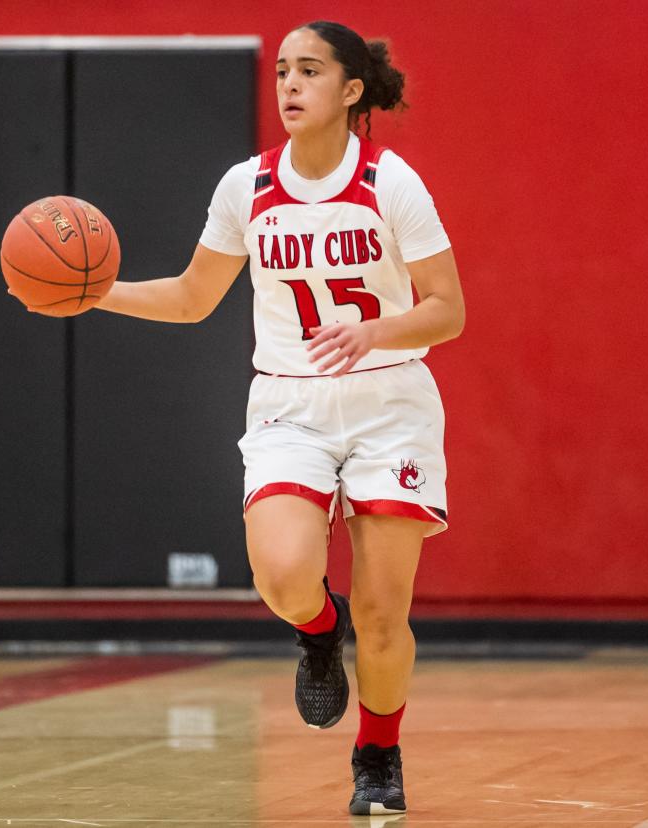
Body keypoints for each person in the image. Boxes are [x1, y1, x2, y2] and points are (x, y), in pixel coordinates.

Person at [86, 20, 465, 815]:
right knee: (285, 577)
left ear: (351, 90)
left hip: (389, 400)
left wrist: (375, 329)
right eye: (283, 71)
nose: (289, 85)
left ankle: (378, 752)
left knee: (384, 612)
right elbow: (193, 299)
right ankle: (316, 633)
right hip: (291, 402)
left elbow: (448, 311)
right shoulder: (247, 187)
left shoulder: (391, 183)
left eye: (309, 71)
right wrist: (97, 293)